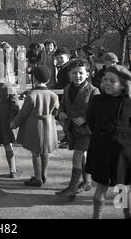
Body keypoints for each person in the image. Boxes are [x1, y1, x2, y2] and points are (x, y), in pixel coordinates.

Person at [85, 65, 131, 219]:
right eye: (105, 80)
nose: (107, 83)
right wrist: (102, 136)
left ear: (123, 84)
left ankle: (126, 212)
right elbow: (90, 120)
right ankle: (96, 216)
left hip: (122, 151)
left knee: (121, 187)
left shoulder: (129, 102)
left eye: (113, 81)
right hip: (101, 148)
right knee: (101, 186)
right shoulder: (97, 99)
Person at [55, 59, 100, 200]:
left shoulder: (94, 91)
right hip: (73, 130)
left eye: (81, 73)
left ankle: (71, 189)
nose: (77, 76)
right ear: (69, 74)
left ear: (87, 74)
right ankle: (87, 182)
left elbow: (98, 112)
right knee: (83, 156)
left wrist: (86, 118)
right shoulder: (68, 88)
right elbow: (62, 104)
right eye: (74, 73)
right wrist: (60, 112)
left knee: (77, 156)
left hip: (87, 131)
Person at [11, 65, 59, 187]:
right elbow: (56, 111)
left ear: (34, 79)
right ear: (48, 80)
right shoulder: (53, 95)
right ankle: (44, 174)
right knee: (45, 152)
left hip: (35, 126)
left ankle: (37, 178)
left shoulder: (32, 95)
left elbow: (23, 113)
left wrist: (14, 124)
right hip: (49, 126)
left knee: (35, 153)